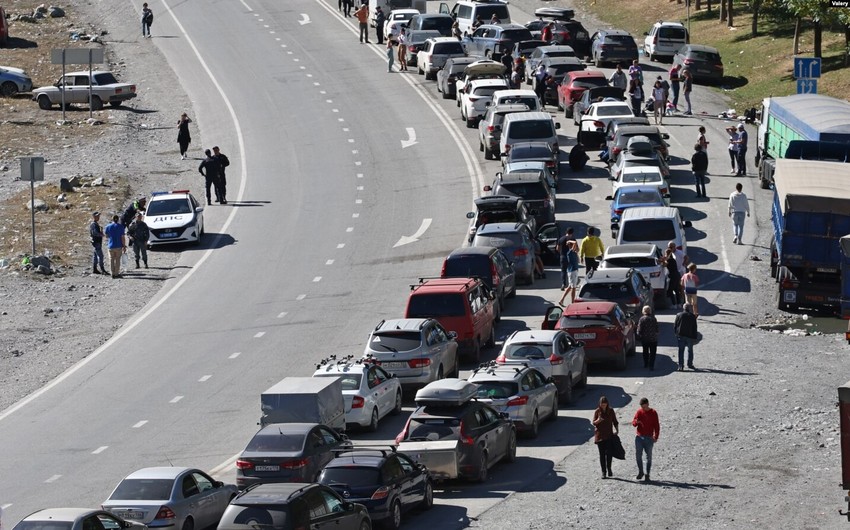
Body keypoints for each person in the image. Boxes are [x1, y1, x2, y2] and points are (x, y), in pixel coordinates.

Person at [632, 397, 660, 482]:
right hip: (639, 437)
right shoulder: (639, 412)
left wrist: (656, 436)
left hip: (649, 438)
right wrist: (636, 422)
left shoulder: (653, 413)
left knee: (649, 457)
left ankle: (647, 474)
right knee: (638, 455)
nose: (643, 408)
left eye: (644, 406)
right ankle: (641, 472)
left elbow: (657, 426)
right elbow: (633, 423)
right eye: (642, 407)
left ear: (648, 404)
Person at [592, 396, 619, 479]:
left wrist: (617, 430)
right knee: (602, 455)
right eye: (602, 404)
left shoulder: (611, 411)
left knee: (609, 453)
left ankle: (609, 468)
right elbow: (594, 422)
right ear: (600, 404)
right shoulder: (597, 411)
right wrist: (598, 420)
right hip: (600, 436)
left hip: (609, 435)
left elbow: (615, 421)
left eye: (605, 404)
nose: (603, 406)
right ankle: (603, 472)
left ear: (607, 404)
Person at [674, 302, 699, 370]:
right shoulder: (692, 316)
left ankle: (680, 365)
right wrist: (695, 336)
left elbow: (675, 325)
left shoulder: (679, 315)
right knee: (690, 350)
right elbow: (694, 327)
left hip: (681, 335)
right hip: (690, 335)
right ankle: (690, 364)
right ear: (690, 308)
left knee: (681, 351)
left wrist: (676, 333)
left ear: (683, 308)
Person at [636, 305, 659, 370]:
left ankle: (646, 363)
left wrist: (638, 335)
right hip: (653, 339)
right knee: (653, 353)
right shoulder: (653, 318)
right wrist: (656, 333)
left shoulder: (642, 319)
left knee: (645, 352)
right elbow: (657, 328)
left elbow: (639, 329)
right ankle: (651, 365)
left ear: (643, 311)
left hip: (645, 339)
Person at [104, 214, 126, 278]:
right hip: (118, 245)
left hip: (111, 245)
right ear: (118, 219)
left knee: (111, 259)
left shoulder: (108, 226)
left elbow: (106, 236)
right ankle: (116, 273)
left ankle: (112, 273)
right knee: (117, 260)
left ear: (112, 219)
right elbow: (122, 237)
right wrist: (124, 246)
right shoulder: (121, 227)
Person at [89, 211, 107, 275]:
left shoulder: (95, 224)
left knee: (95, 256)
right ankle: (102, 269)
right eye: (97, 216)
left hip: (96, 242)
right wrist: (101, 234)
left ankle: (95, 269)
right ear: (94, 216)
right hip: (96, 242)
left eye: (98, 216)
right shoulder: (94, 224)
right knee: (100, 256)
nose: (98, 217)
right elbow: (94, 233)